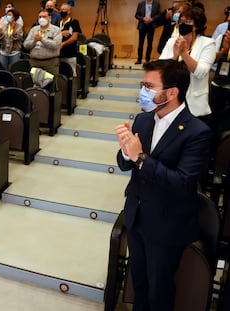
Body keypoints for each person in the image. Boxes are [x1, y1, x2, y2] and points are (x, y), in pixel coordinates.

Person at [115, 59, 211, 311]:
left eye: (149, 86)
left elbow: (182, 183)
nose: (143, 91)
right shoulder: (144, 120)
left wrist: (141, 158)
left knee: (160, 290)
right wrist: (126, 152)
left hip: (167, 224)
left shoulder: (197, 132)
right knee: (140, 283)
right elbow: (126, 165)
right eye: (142, 85)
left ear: (172, 92)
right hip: (136, 215)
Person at [159, 6, 216, 120]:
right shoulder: (172, 41)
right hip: (171, 100)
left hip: (194, 104)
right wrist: (175, 56)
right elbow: (160, 70)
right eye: (181, 21)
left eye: (187, 22)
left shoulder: (208, 44)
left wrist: (184, 54)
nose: (183, 24)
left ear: (197, 26)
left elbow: (201, 72)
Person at [23, 9, 62, 79]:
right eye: (40, 17)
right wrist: (34, 41)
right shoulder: (34, 29)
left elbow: (55, 45)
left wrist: (42, 39)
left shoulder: (56, 30)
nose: (41, 19)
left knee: (51, 85)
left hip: (50, 63)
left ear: (49, 18)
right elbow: (26, 45)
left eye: (44, 17)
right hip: (35, 62)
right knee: (35, 86)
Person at [59, 3, 82, 77]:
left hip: (70, 54)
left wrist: (63, 44)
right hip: (58, 54)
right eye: (61, 10)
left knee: (71, 75)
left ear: (69, 11)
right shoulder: (57, 22)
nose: (62, 11)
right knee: (61, 75)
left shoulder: (74, 22)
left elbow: (74, 37)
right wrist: (60, 33)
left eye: (64, 10)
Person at [134, 0, 161, 64]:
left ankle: (147, 60)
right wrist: (143, 18)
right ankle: (139, 59)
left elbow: (159, 15)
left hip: (151, 26)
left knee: (150, 43)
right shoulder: (141, 3)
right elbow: (136, 15)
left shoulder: (156, 3)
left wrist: (152, 19)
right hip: (142, 26)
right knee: (141, 43)